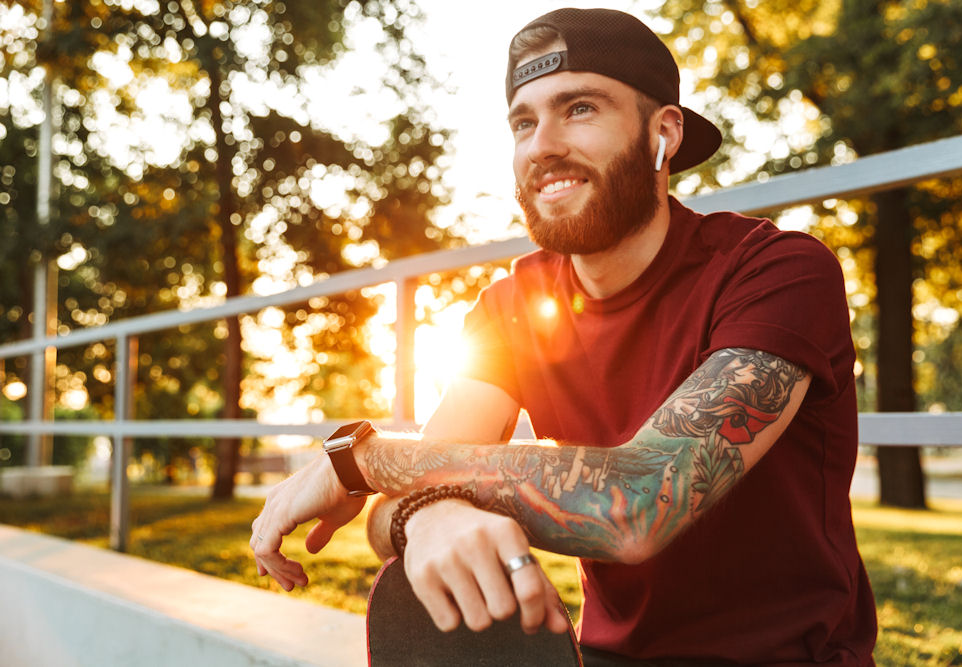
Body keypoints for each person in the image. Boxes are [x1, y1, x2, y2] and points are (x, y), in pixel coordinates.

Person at [250, 7, 878, 665]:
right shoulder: (514, 306)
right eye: (524, 121)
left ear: (663, 133)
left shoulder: (777, 271)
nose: (542, 144)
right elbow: (397, 507)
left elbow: (639, 502)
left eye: (578, 108)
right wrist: (429, 514)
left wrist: (361, 456)